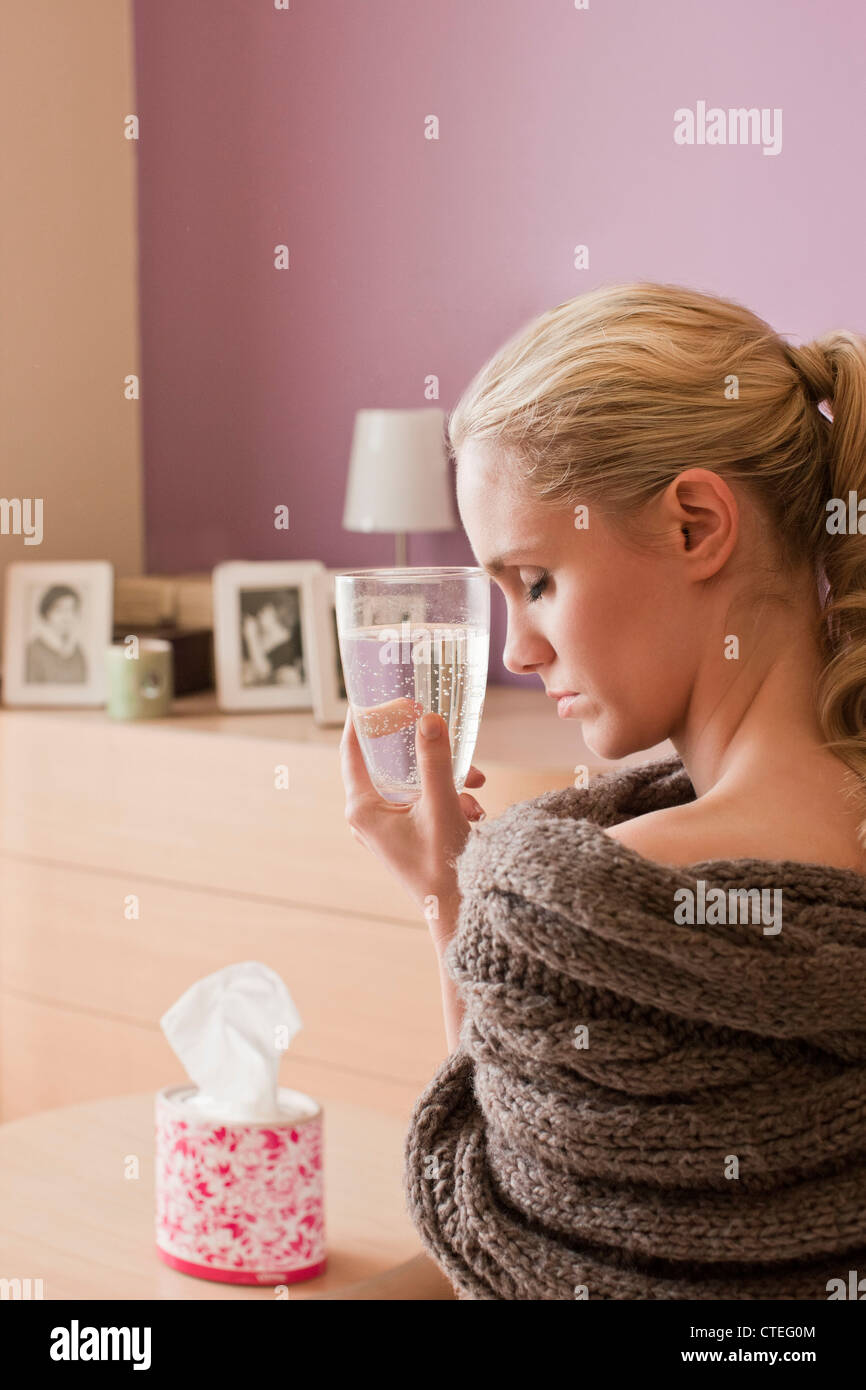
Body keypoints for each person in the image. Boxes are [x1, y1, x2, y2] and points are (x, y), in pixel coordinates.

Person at [327, 282, 866, 1299]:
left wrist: (458, 898)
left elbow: (503, 1232)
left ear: (694, 524)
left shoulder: (604, 892)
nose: (519, 648)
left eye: (533, 580)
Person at [25, 584, 87, 683]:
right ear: (47, 613)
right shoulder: (32, 651)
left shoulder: (78, 652)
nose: (67, 617)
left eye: (71, 610)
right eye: (60, 610)